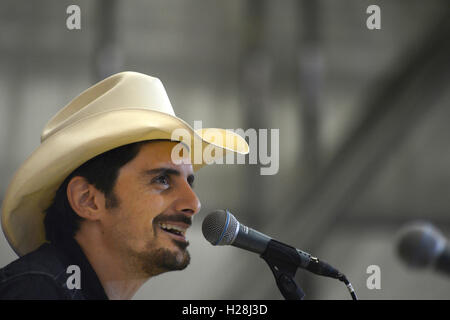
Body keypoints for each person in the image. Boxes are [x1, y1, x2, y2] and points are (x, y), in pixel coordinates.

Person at [0, 71, 248, 299]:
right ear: (87, 199)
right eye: (162, 179)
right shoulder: (37, 292)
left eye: (189, 182)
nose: (194, 203)